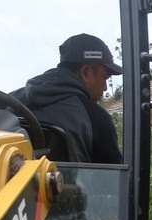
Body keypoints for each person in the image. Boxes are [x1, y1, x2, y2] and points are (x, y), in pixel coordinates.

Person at [14, 33, 122, 164]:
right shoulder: (97, 119)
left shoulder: (9, 101)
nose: (105, 88)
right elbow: (111, 181)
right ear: (86, 72)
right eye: (104, 77)